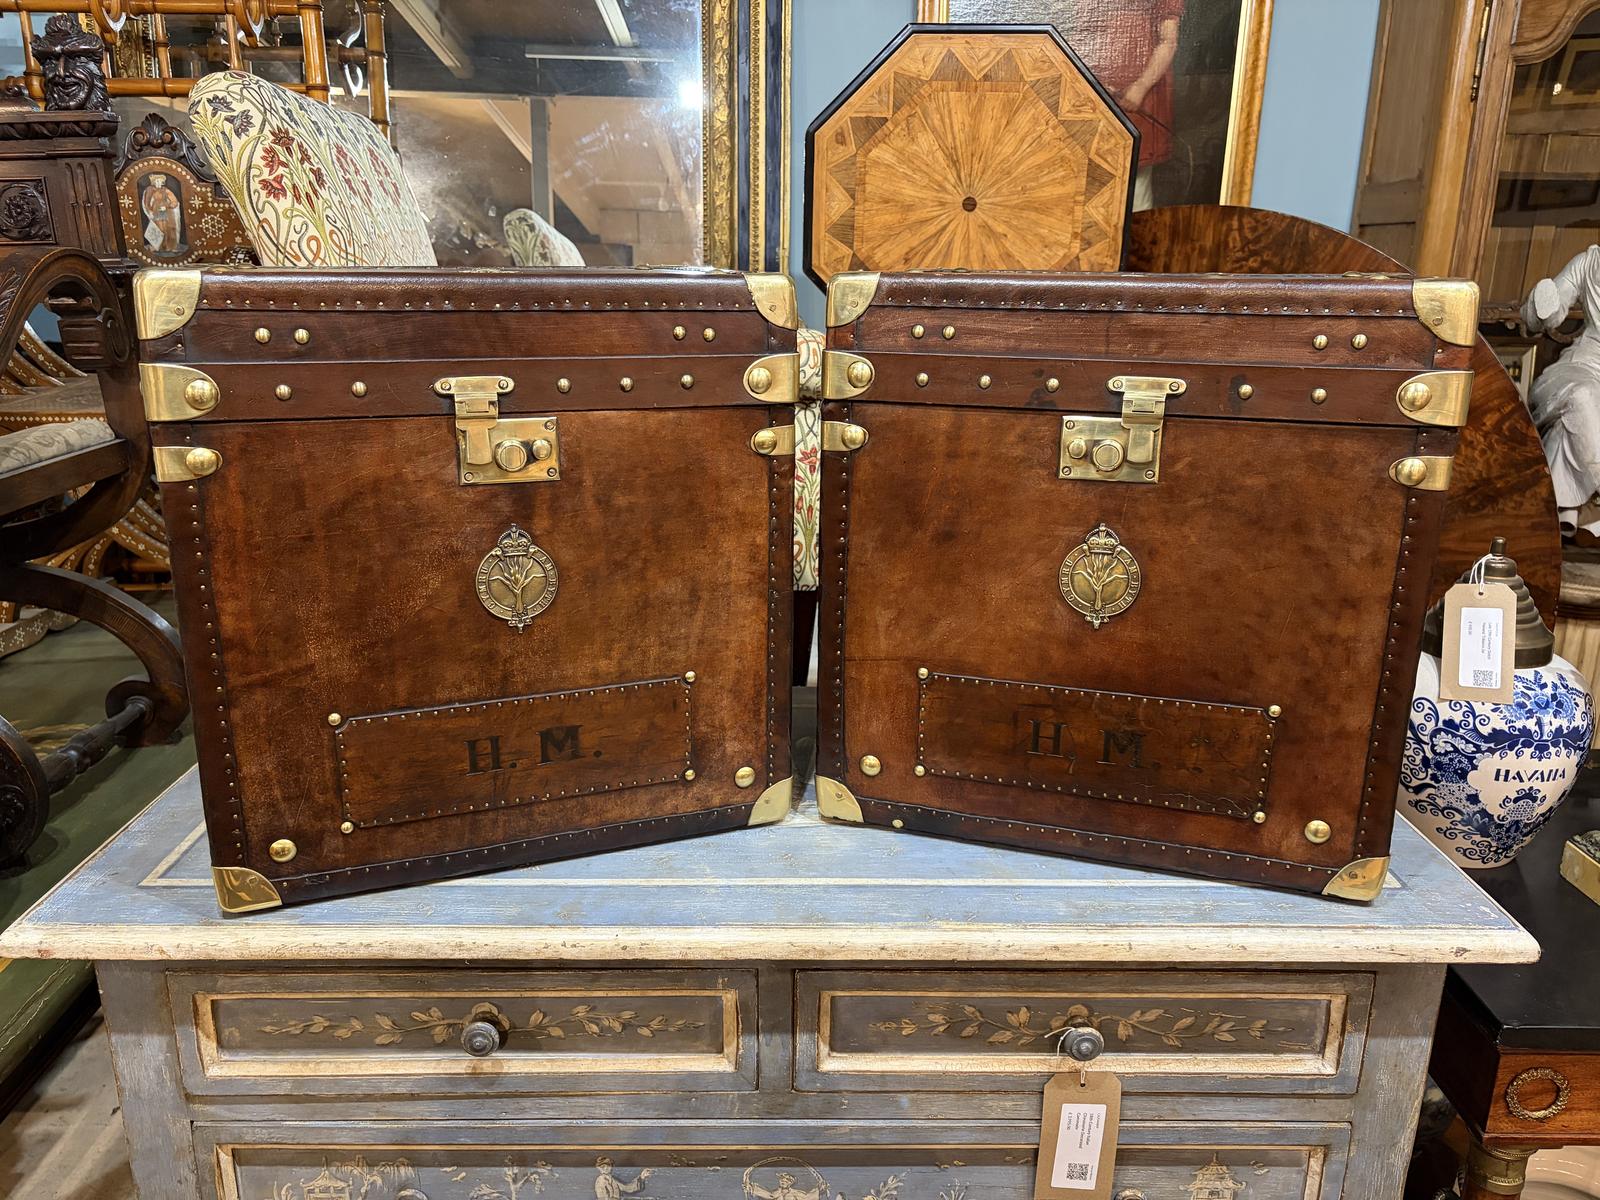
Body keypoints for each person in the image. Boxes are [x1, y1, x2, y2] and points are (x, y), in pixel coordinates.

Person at [1070, 0, 1185, 210]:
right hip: (1097, 91)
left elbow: (1168, 41)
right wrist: (1093, 80)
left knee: (1136, 189)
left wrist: (1139, 87)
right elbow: (1082, 38)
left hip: (1138, 95)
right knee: (1093, 184)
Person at [1522, 245, 1600, 540]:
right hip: (1586, 363)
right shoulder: (1589, 262)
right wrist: (1545, 304)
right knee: (1581, 395)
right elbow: (1545, 316)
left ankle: (1557, 513)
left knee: (1564, 431)